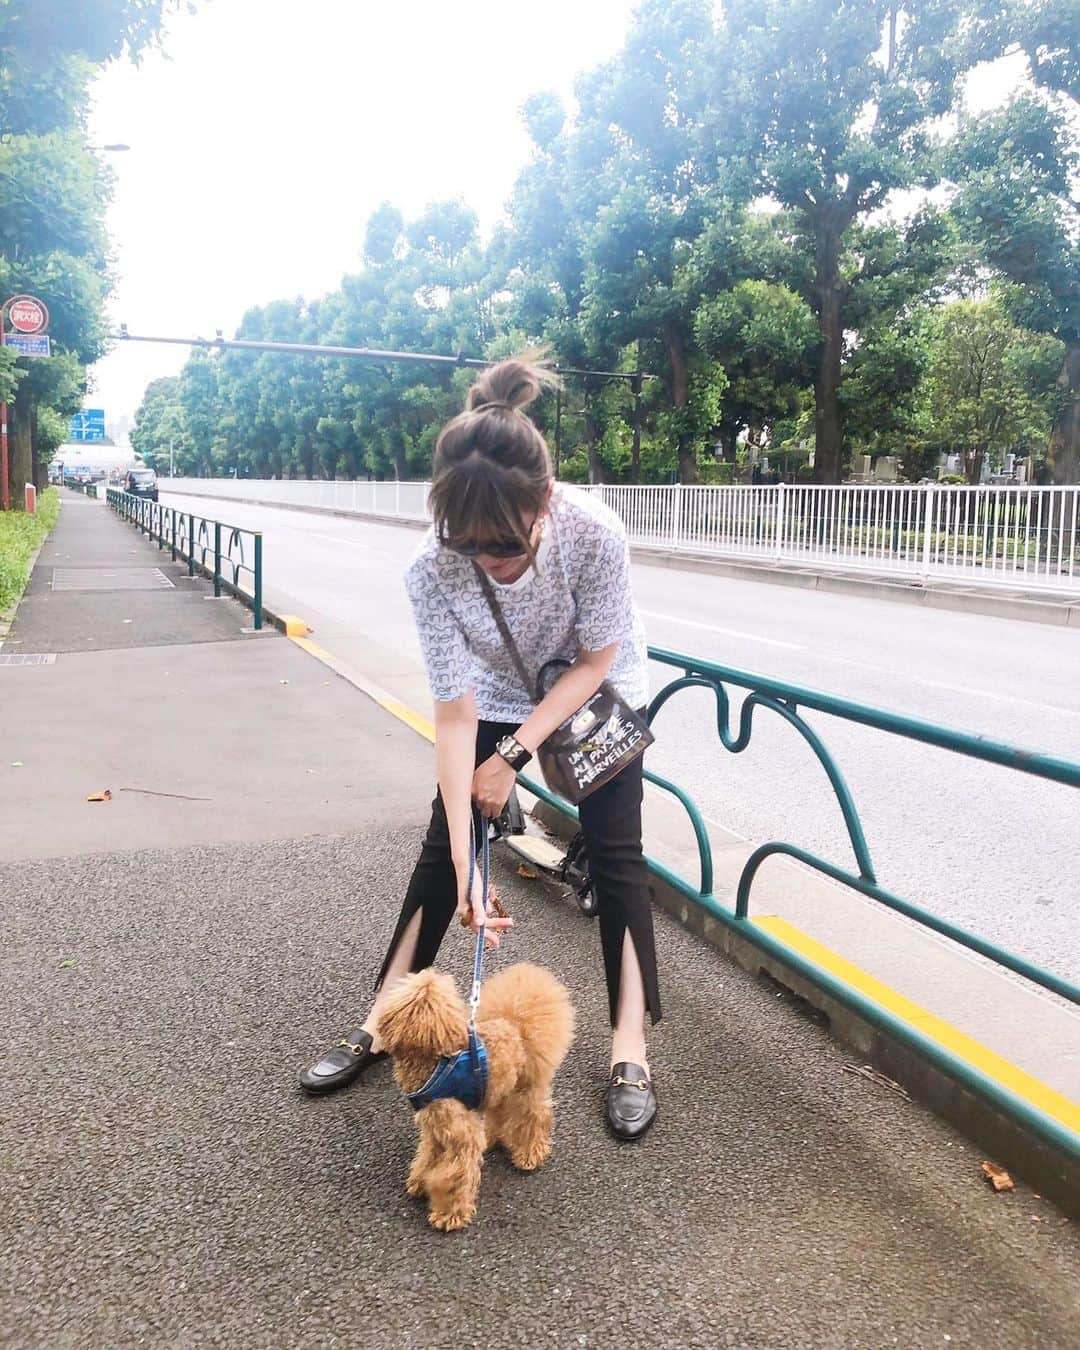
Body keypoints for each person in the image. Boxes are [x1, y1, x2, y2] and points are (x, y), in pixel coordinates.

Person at [300, 356, 660, 1140]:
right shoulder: (432, 568)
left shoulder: (592, 533)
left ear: (545, 501)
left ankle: (628, 1047)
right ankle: (378, 1018)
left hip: (590, 693)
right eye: (472, 547)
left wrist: (515, 759)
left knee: (619, 854)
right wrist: (471, 870)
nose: (491, 563)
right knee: (441, 847)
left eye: (507, 544)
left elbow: (599, 658)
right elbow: (455, 715)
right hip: (496, 696)